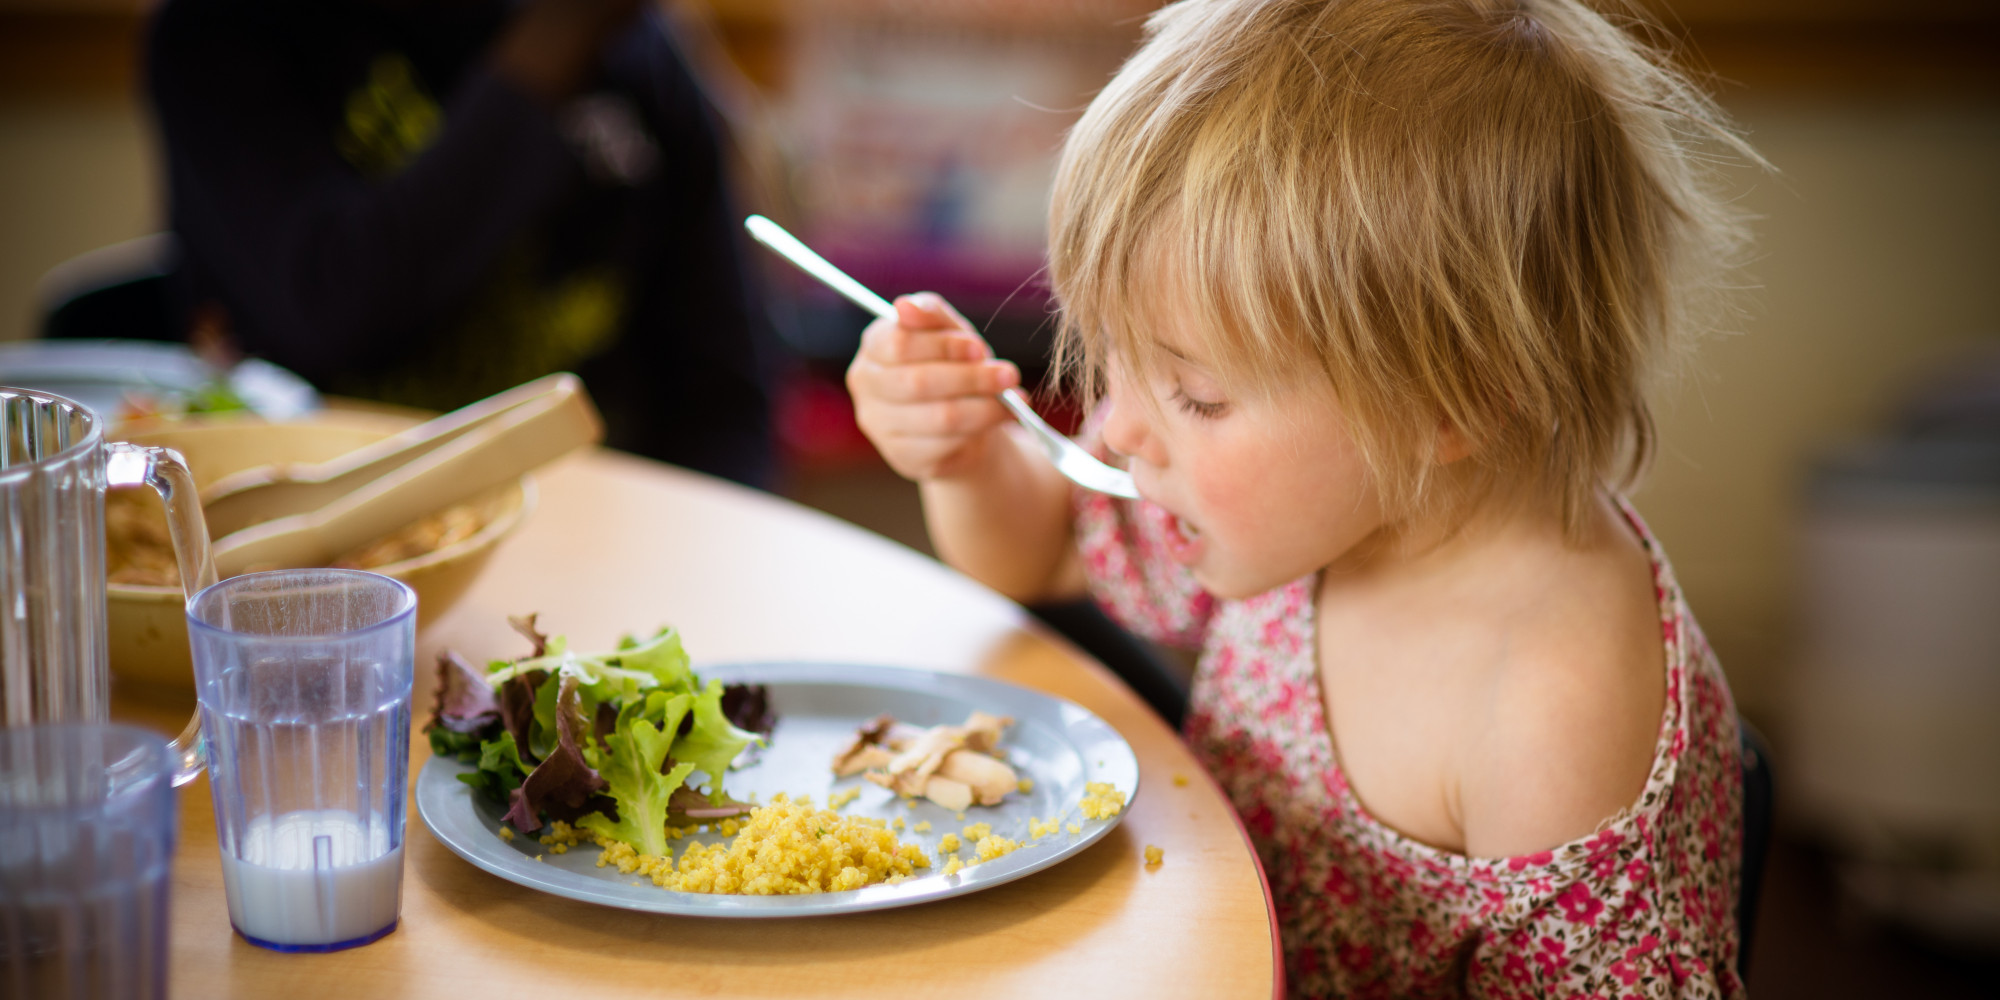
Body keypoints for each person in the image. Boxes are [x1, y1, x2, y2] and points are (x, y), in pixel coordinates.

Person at [845, 0, 1756, 994]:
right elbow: (1039, 553)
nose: (1114, 431)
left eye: (1196, 395)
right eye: (1115, 362)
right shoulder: (1313, 510)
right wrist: (962, 455)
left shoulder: (1554, 710)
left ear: (1452, 399)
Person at [148, 0, 776, 487]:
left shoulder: (640, 52)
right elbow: (329, 308)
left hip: (605, 528)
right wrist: (551, 46)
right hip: (316, 546)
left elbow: (726, 396)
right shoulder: (226, 34)